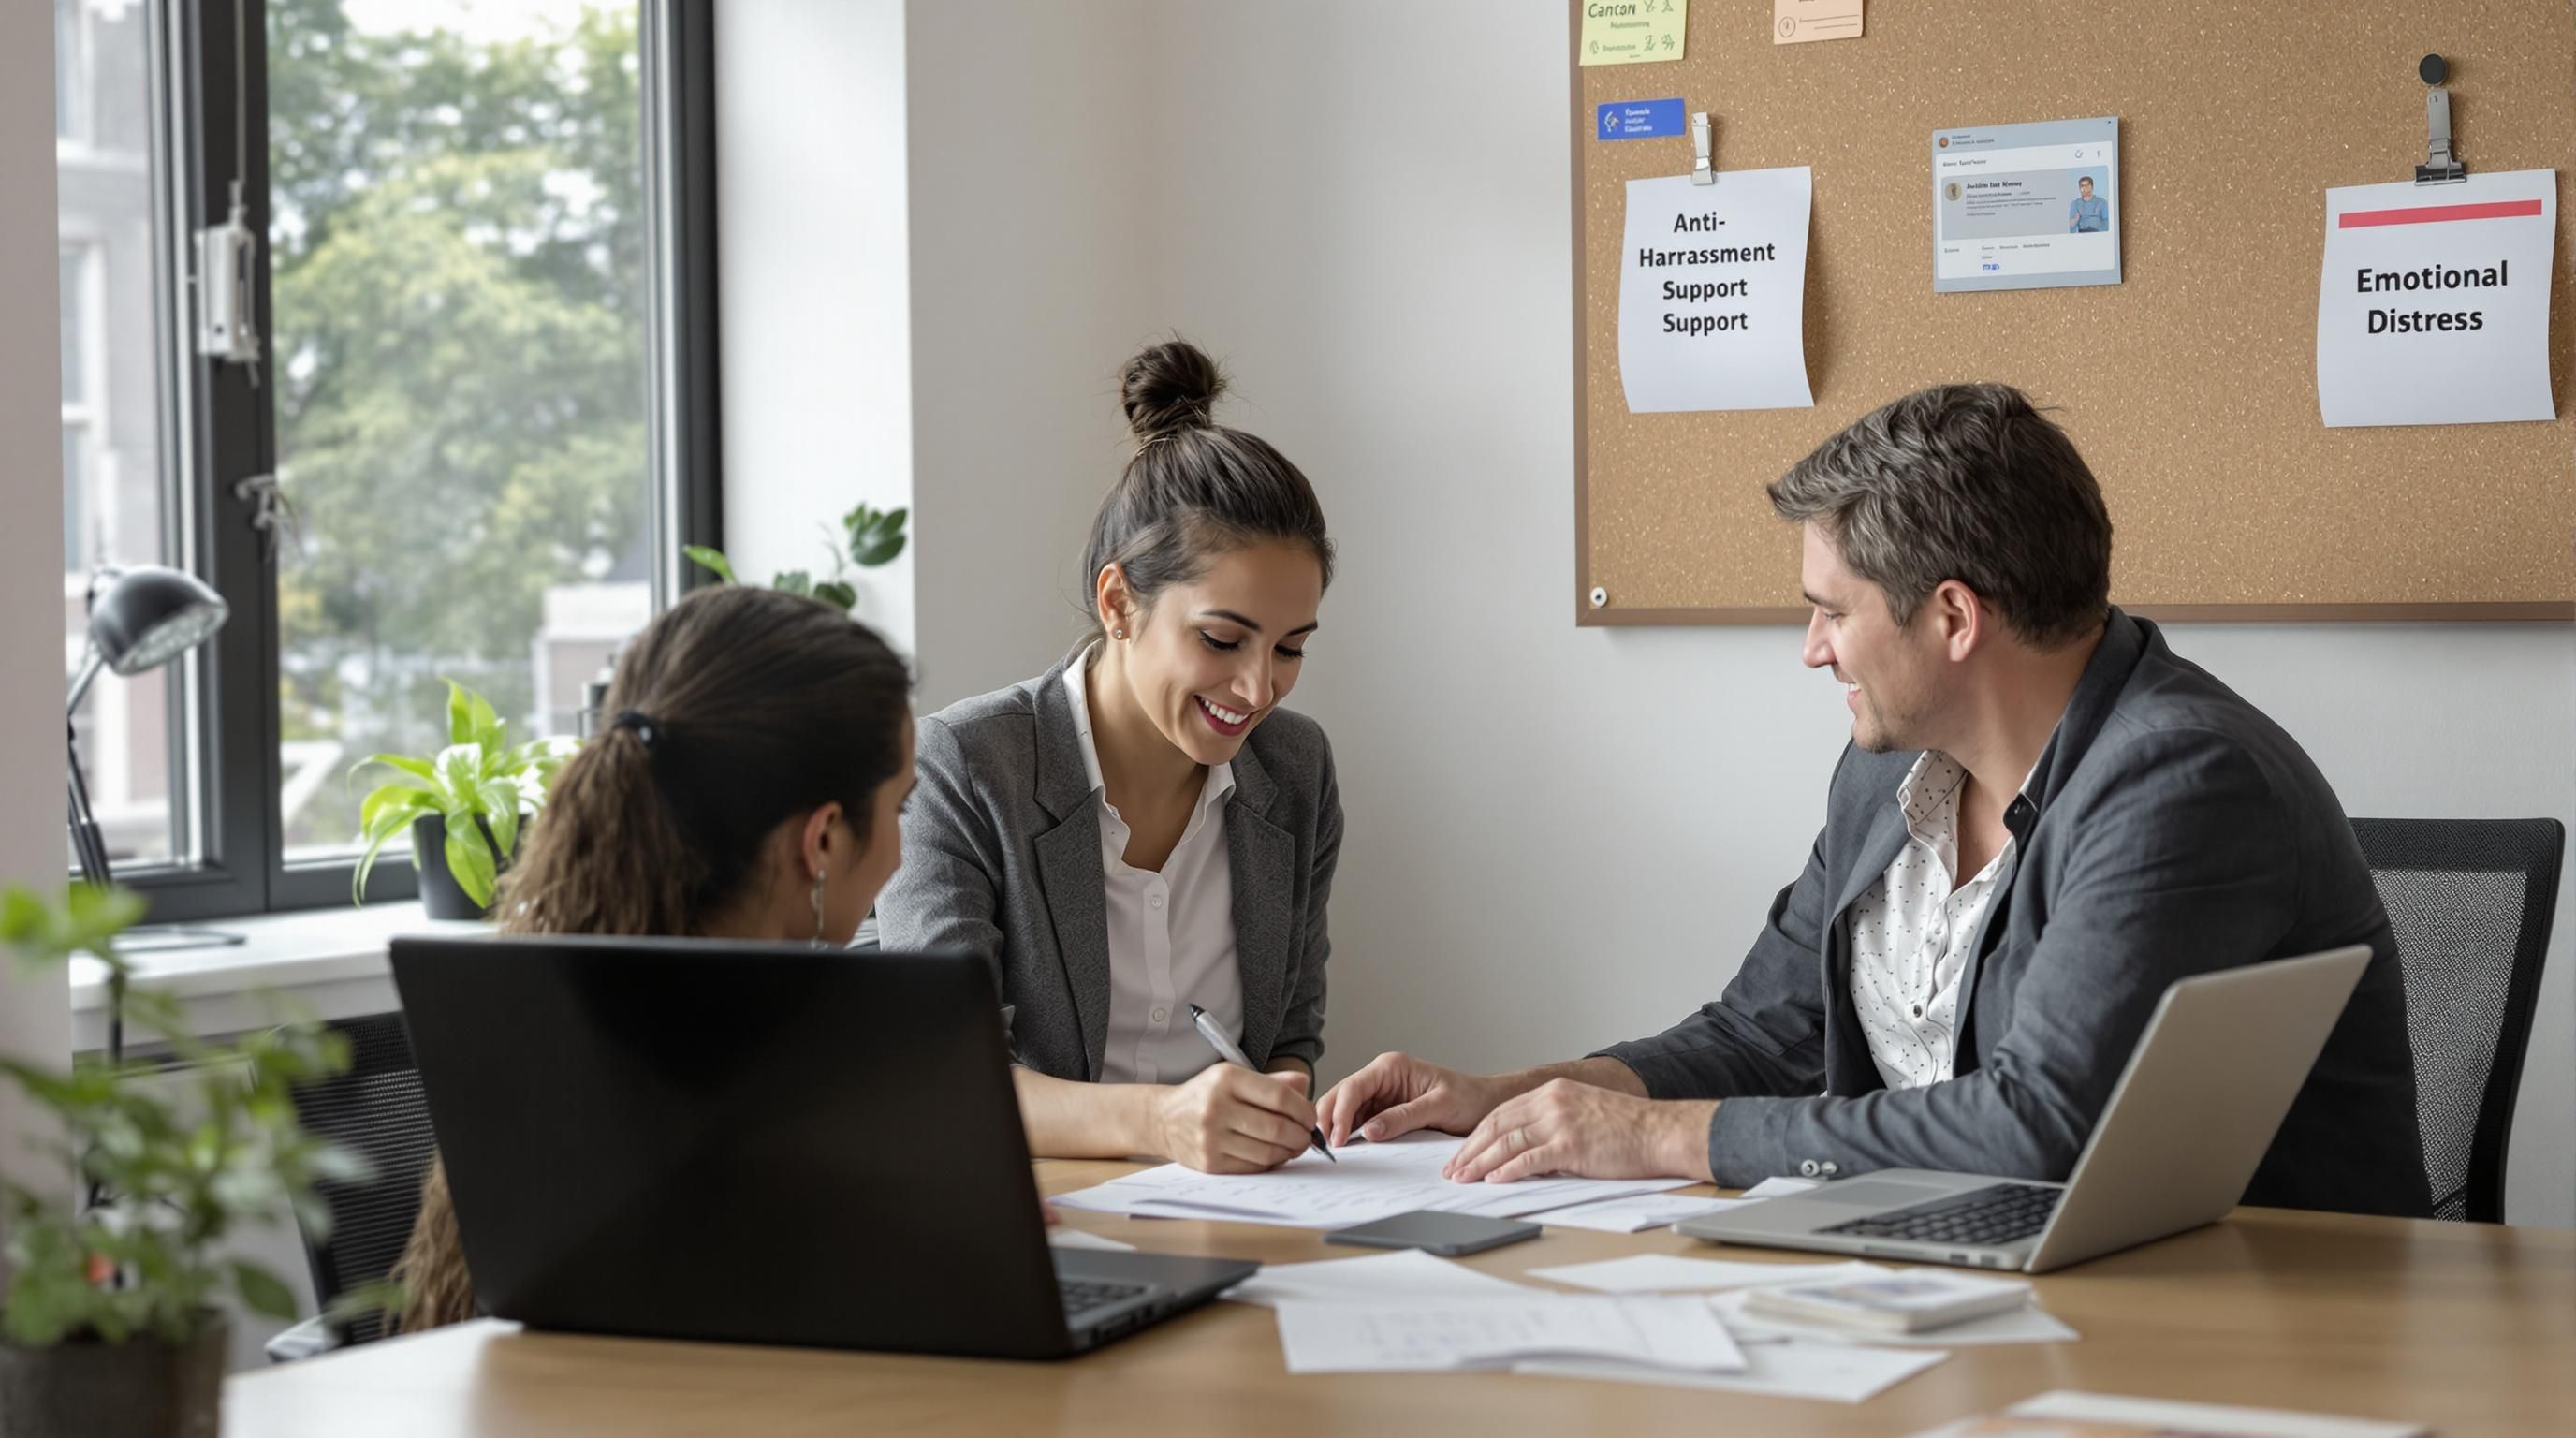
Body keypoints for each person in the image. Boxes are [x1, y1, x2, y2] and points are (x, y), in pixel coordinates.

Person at [1319, 384, 2432, 1220]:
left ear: (1952, 618)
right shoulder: (1887, 768)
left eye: (1829, 612)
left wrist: (1659, 1139)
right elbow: (1767, 1032)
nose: (1810, 651)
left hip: (2241, 1325)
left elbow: (2040, 1130)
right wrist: (1521, 1095)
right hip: (1952, 1282)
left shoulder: (2180, 785)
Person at [391, 585, 918, 1331]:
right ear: (823, 840)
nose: (901, 852)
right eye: (900, 808)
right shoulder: (755, 1085)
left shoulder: (561, 1008)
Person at [875, 338, 1341, 1177]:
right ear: (1119, 601)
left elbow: (1290, 1035)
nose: (1260, 686)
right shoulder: (969, 766)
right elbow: (936, 1075)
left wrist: (1279, 1100)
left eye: (1290, 648)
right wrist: (1164, 1122)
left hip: (1242, 1222)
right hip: (1037, 1229)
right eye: (1223, 638)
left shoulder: (1294, 770)